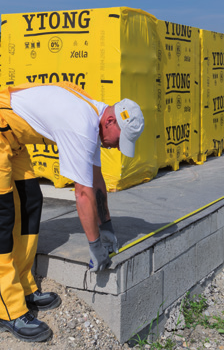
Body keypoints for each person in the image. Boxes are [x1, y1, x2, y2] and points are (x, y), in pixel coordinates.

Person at [0, 82, 144, 342]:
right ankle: (7, 309)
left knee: (31, 201)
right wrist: (94, 245)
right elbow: (82, 193)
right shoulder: (82, 125)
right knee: (3, 218)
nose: (116, 146)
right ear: (111, 120)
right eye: (120, 140)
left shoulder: (94, 116)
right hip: (1, 127)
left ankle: (23, 286)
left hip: (13, 138)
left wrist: (107, 226)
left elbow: (96, 181)